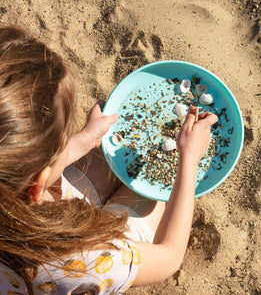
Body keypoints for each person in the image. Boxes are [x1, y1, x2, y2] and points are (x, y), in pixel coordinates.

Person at [0, 26, 218, 294]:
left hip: (26, 216)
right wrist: (189, 161)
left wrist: (82, 140)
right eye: (60, 144)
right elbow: (169, 256)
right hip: (77, 255)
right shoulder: (78, 260)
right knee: (154, 186)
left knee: (106, 153)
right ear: (36, 184)